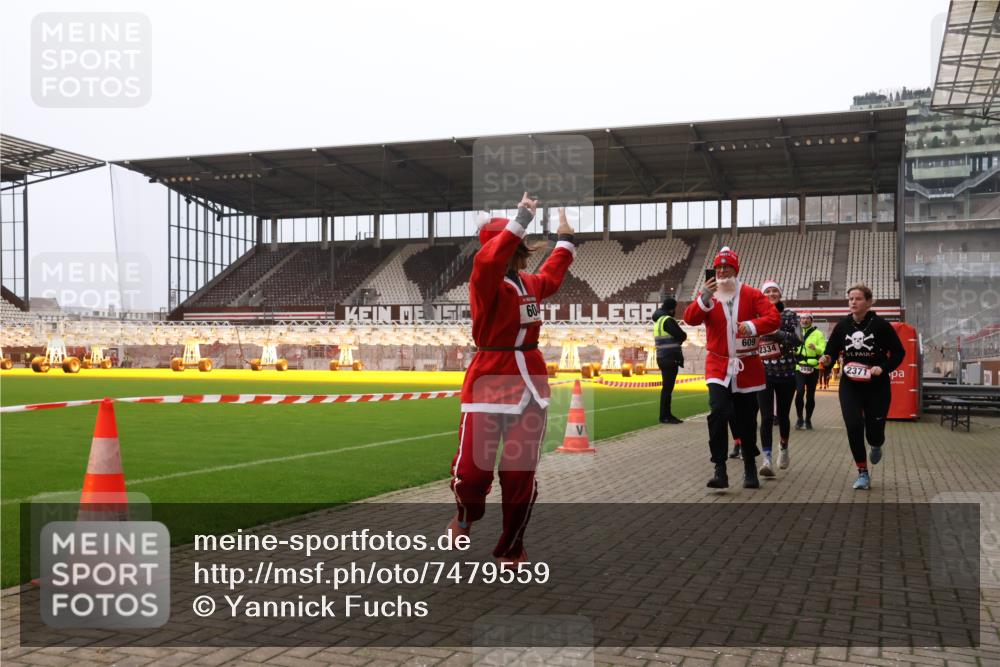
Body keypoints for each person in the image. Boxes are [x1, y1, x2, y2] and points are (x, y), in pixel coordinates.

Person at [448, 193, 576, 565]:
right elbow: (488, 260)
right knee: (471, 474)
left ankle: (511, 546)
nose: (512, 252)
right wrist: (522, 216)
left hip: (530, 388)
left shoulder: (527, 284)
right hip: (489, 384)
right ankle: (466, 516)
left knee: (519, 476)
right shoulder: (485, 282)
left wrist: (565, 240)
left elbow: (551, 275)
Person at [683, 247, 780, 489]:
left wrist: (752, 325)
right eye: (719, 267)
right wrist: (702, 297)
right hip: (717, 365)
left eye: (727, 267)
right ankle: (720, 468)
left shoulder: (751, 293)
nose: (723, 271)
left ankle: (749, 466)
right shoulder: (709, 295)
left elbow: (773, 318)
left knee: (746, 420)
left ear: (736, 270)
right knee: (718, 412)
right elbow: (690, 318)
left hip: (747, 366)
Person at [820, 284, 905, 490]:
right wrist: (827, 358)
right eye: (850, 299)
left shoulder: (881, 326)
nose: (853, 302)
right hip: (850, 385)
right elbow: (831, 351)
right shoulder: (842, 326)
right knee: (854, 425)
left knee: (874, 432)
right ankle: (862, 473)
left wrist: (882, 368)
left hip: (877, 386)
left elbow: (899, 353)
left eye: (858, 299)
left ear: (868, 302)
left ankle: (876, 444)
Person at [755, 281, 802, 477]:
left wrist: (777, 334)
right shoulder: (756, 315)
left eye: (775, 291)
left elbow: (798, 339)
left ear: (780, 295)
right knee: (765, 417)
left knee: (783, 415)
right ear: (762, 295)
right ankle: (766, 458)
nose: (772, 293)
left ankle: (783, 448)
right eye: (768, 291)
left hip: (786, 372)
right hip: (763, 372)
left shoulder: (789, 315)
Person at [652, 297, 687, 424]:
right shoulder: (668, 320)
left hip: (662, 357)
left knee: (666, 388)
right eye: (675, 308)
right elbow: (682, 335)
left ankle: (665, 415)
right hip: (670, 357)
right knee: (667, 389)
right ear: (671, 308)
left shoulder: (659, 321)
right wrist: (679, 339)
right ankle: (665, 416)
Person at [794, 312, 826, 430]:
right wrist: (794, 350)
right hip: (799, 366)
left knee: (810, 395)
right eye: (802, 318)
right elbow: (792, 346)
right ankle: (799, 418)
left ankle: (808, 420)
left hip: (813, 367)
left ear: (811, 320)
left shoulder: (818, 333)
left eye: (807, 318)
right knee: (800, 391)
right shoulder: (796, 332)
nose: (804, 320)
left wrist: (816, 348)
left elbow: (823, 349)